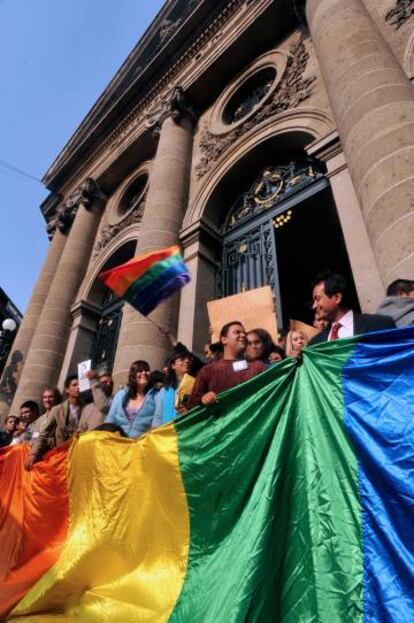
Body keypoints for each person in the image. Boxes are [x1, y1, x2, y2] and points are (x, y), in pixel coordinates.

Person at [189, 321, 266, 408]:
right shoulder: (208, 371)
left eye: (244, 333)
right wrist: (203, 399)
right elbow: (192, 404)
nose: (243, 335)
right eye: (237, 332)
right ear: (224, 339)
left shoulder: (259, 367)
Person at [309, 271, 396, 345]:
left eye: (318, 299)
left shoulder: (380, 325)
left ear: (337, 297)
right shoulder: (316, 343)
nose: (314, 306)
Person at [25, 375, 82, 469]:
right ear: (67, 389)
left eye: (50, 397)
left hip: (77, 453)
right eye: (45, 397)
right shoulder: (44, 417)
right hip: (55, 456)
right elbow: (42, 434)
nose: (47, 400)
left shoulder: (86, 407)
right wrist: (33, 453)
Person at [104, 360, 159, 438]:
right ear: (133, 375)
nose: (144, 373)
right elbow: (109, 420)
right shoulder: (121, 395)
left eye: (147, 370)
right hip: (118, 442)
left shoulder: (156, 396)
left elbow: (156, 424)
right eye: (140, 371)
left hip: (140, 445)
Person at [153, 344, 196, 427]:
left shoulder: (196, 386)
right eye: (182, 359)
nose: (187, 361)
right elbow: (158, 417)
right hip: (165, 435)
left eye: (189, 359)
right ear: (173, 365)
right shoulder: (165, 390)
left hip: (185, 434)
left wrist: (189, 414)